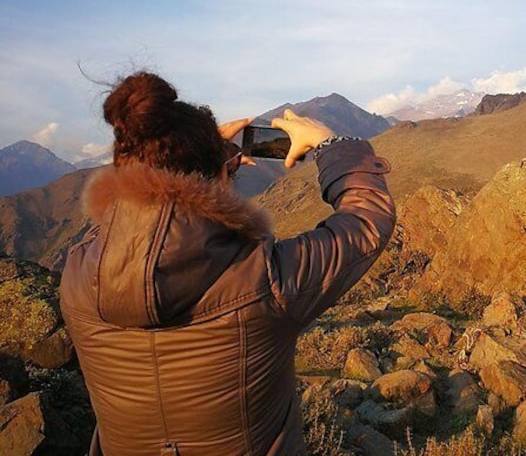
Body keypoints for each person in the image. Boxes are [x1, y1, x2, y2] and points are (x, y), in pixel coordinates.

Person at [59, 71, 396, 455]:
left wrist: (203, 158)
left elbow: (132, 226)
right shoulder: (266, 279)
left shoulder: (76, 277)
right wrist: (333, 145)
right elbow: (366, 221)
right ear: (219, 176)